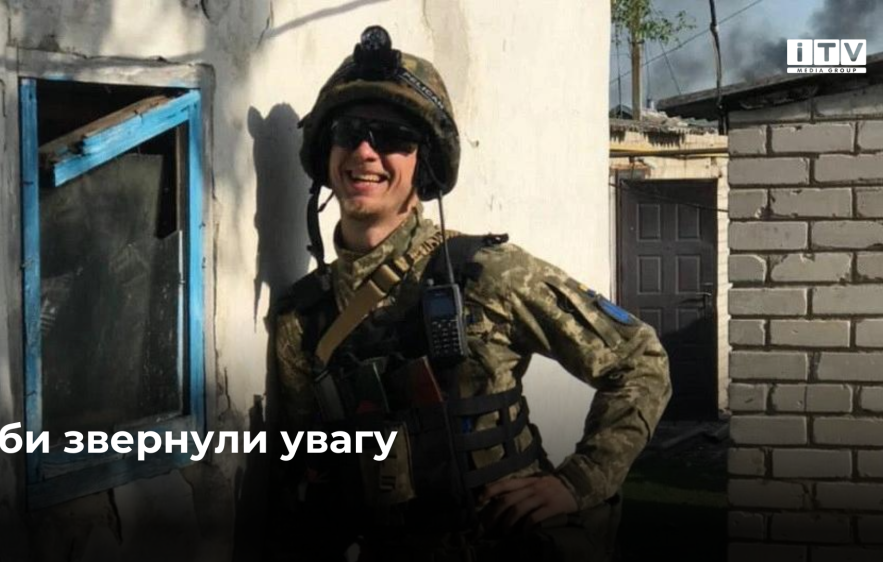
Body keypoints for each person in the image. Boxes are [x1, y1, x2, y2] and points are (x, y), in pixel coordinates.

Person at [270, 25, 671, 562]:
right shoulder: (302, 317)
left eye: (393, 137)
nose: (365, 151)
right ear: (326, 151)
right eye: (349, 131)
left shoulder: (487, 274)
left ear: (426, 164)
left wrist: (579, 482)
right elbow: (301, 465)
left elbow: (640, 359)